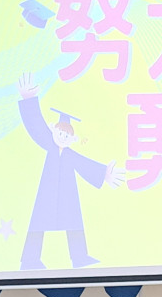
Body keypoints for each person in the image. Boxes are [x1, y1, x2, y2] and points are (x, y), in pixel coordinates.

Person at [17, 72, 124, 270]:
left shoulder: (70, 155)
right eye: (60, 132)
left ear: (73, 139)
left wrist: (104, 173)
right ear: (53, 129)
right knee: (38, 223)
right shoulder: (47, 142)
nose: (62, 137)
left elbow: (84, 164)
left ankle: (79, 258)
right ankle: (30, 260)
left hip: (67, 193)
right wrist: (29, 100)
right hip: (47, 191)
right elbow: (36, 126)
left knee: (74, 221)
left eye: (67, 135)